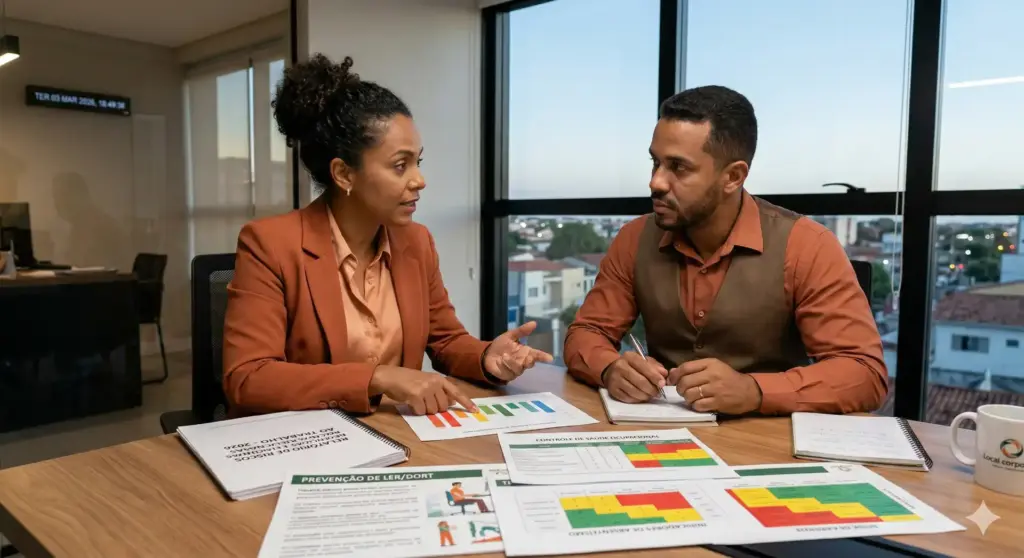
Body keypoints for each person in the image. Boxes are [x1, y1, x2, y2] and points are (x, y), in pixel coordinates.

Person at [223, 54, 552, 417]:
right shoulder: (270, 244)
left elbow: (446, 340)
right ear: (344, 174)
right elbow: (248, 378)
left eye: (417, 162)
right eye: (400, 165)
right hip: (310, 438)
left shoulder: (416, 242)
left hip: (397, 433)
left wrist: (487, 356)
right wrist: (376, 378)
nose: (419, 180)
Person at [563, 85, 888, 416]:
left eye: (678, 167)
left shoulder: (807, 245)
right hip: (662, 431)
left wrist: (754, 391)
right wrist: (610, 367)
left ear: (733, 177)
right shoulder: (634, 238)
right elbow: (587, 333)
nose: (656, 182)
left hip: (769, 437)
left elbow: (864, 374)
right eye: (655, 162)